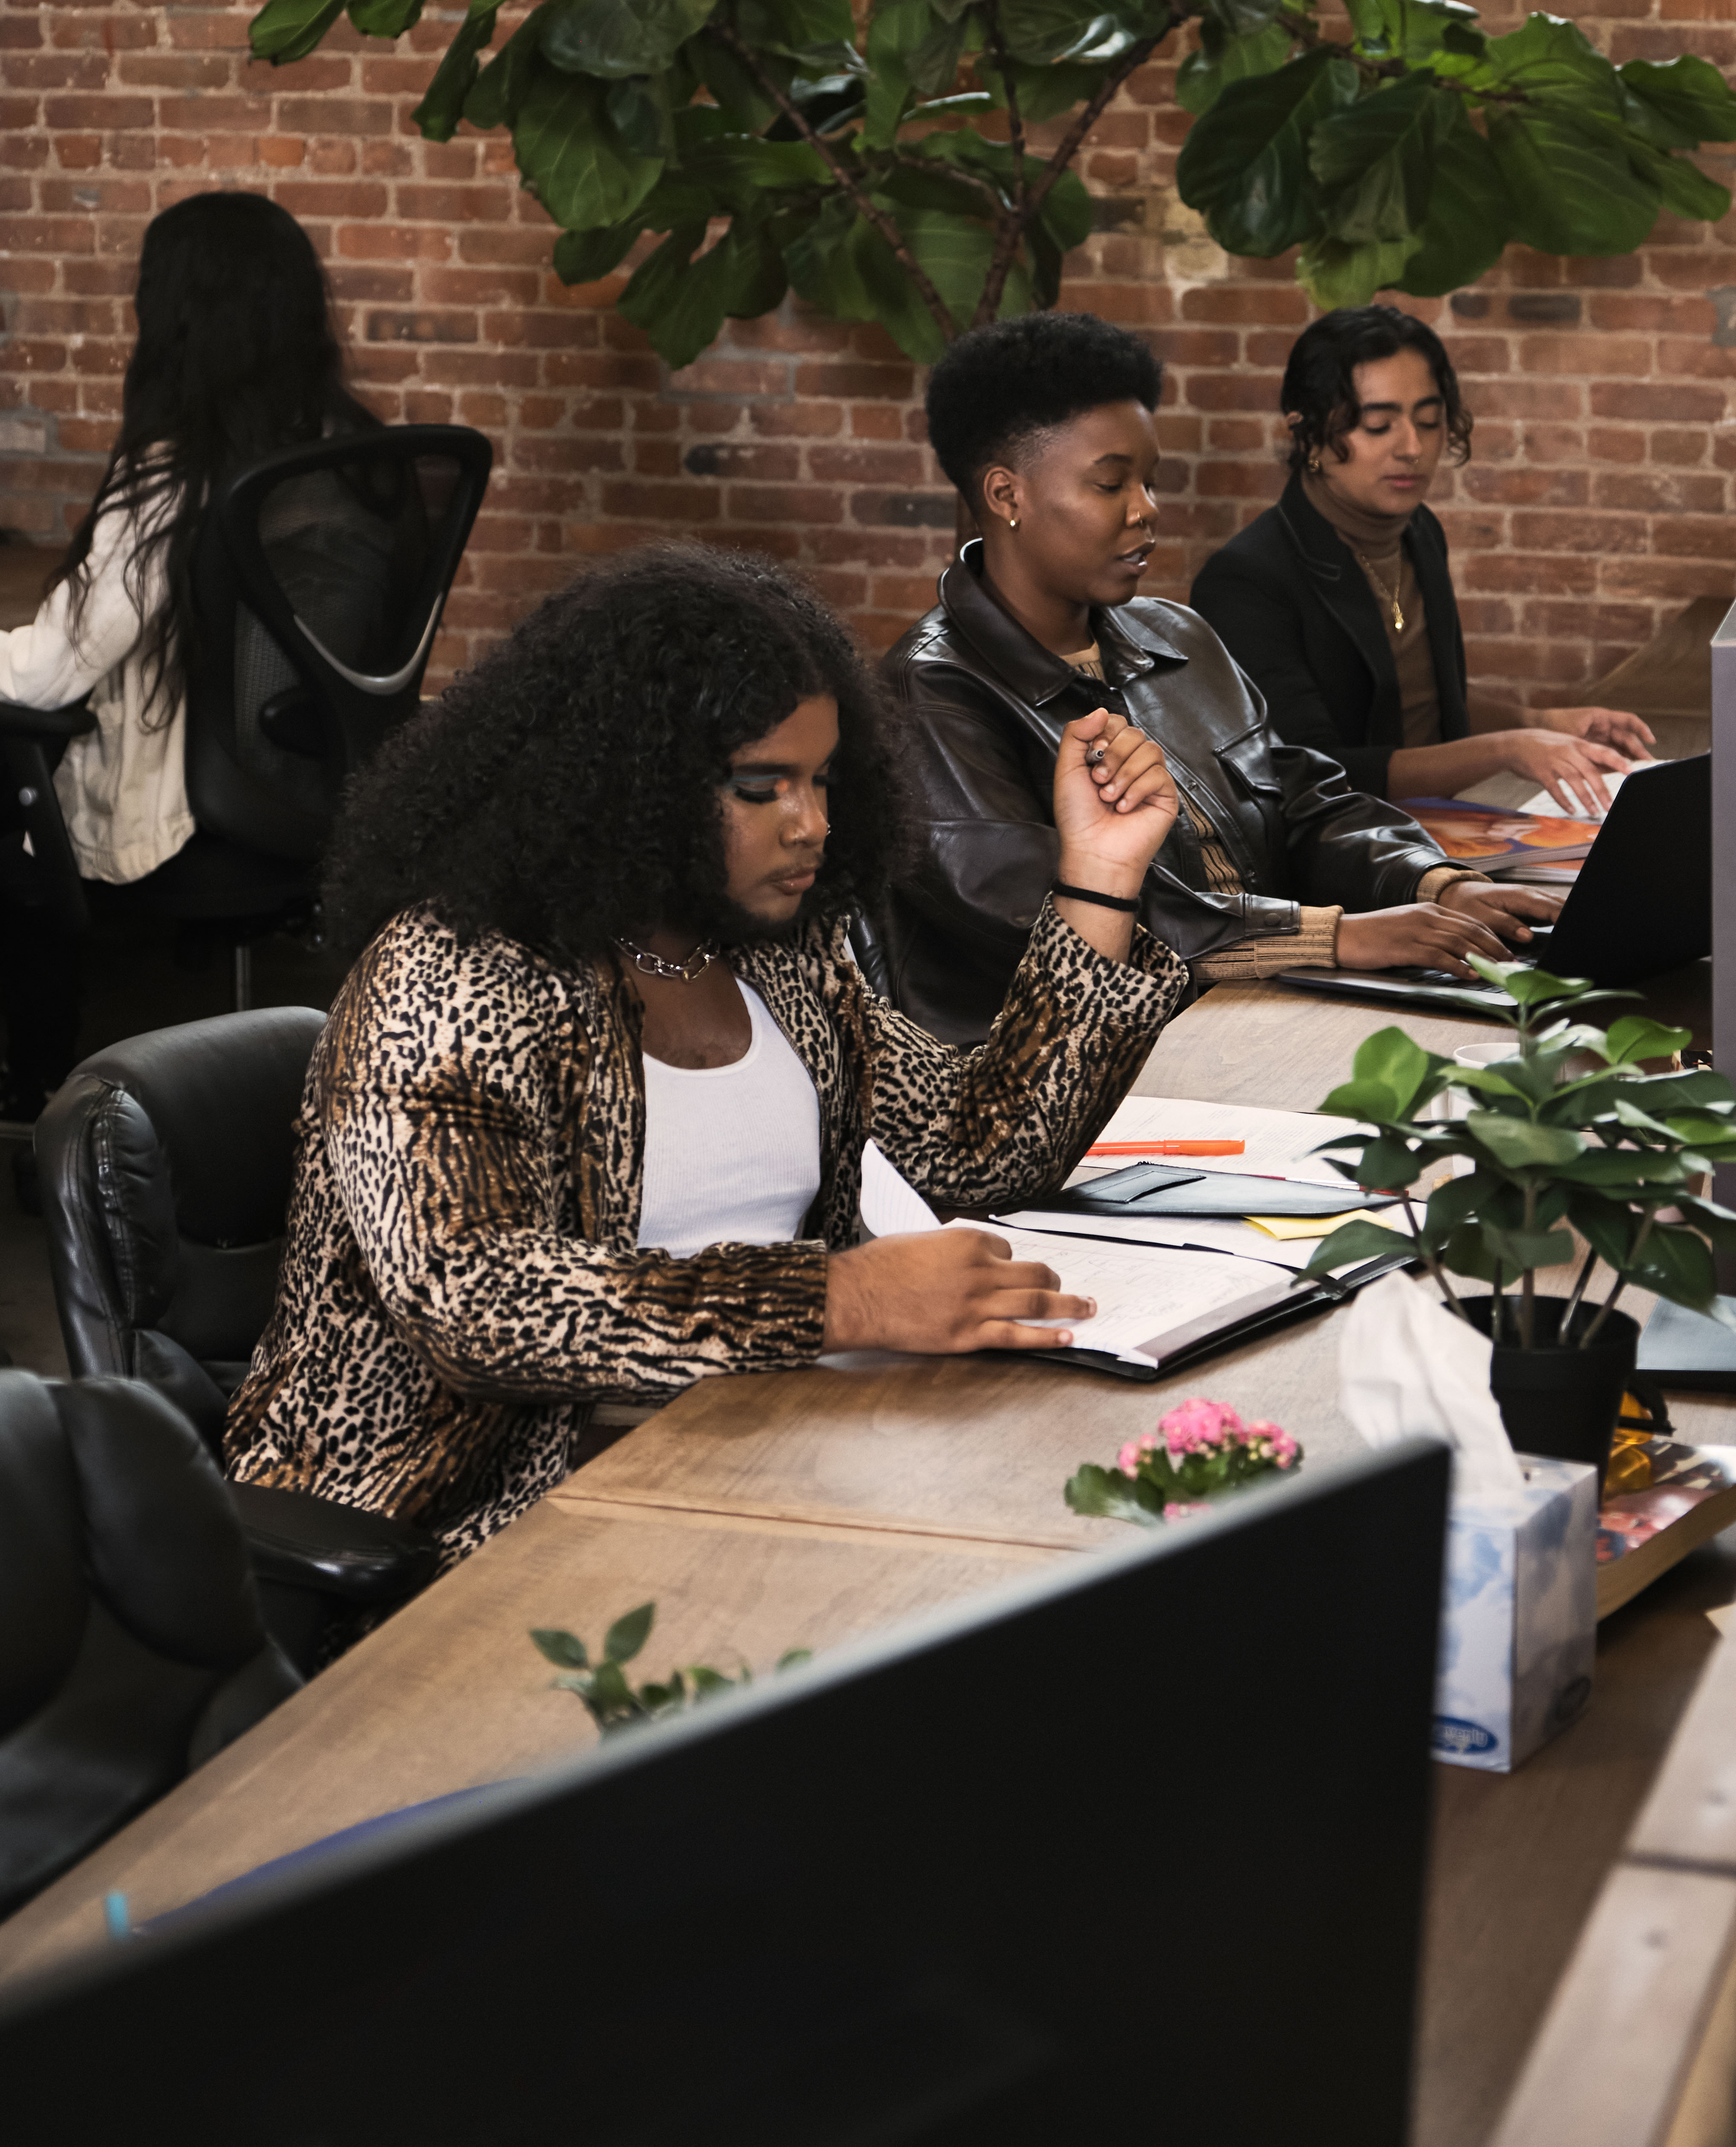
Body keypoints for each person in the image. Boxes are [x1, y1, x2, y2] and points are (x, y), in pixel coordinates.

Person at [225, 543, 1188, 1570]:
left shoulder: (775, 952)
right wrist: (841, 1298)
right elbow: (481, 1302)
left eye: (821, 781)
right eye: (760, 787)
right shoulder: (453, 976)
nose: (811, 824)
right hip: (469, 1526)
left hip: (765, 1458)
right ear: (626, 781)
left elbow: (977, 1150)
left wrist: (1096, 879)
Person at [871, 311, 1563, 1047]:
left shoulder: (1176, 636)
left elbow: (1306, 805)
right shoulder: (928, 694)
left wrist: (1437, 884)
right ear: (1007, 496)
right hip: (1082, 1075)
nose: (1147, 510)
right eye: (1111, 485)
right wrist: (1336, 938)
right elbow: (1061, 918)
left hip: (1260, 1013)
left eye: (1149, 481)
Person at [0, 190, 378, 1117]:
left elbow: (48, 671)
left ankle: (34, 1085)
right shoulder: (356, 452)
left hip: (196, 818)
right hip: (312, 787)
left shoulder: (179, 473)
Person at [1189, 305, 1655, 813]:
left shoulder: (1419, 531)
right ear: (1306, 434)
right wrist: (1507, 750)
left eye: (1429, 421)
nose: (1413, 447)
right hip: (1341, 860)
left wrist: (1542, 723)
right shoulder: (1245, 580)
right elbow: (1314, 772)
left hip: (1436, 830)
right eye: (1378, 425)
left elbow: (1424, 704)